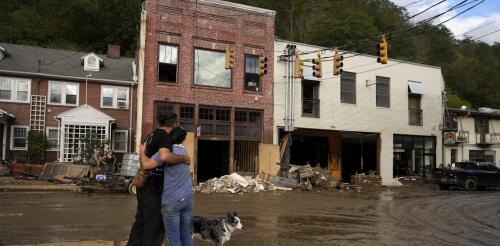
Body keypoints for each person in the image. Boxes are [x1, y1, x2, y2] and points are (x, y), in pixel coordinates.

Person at [127, 112, 190, 246]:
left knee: (141, 222)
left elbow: (144, 156)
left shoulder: (152, 135)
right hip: (153, 189)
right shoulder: (165, 138)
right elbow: (164, 157)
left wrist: (143, 153)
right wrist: (184, 159)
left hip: (143, 187)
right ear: (174, 123)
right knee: (154, 227)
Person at [140, 127, 193, 246]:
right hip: (188, 198)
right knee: (185, 233)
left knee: (173, 237)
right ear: (183, 140)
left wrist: (142, 151)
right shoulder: (184, 152)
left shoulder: (165, 153)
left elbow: (146, 165)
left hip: (172, 200)